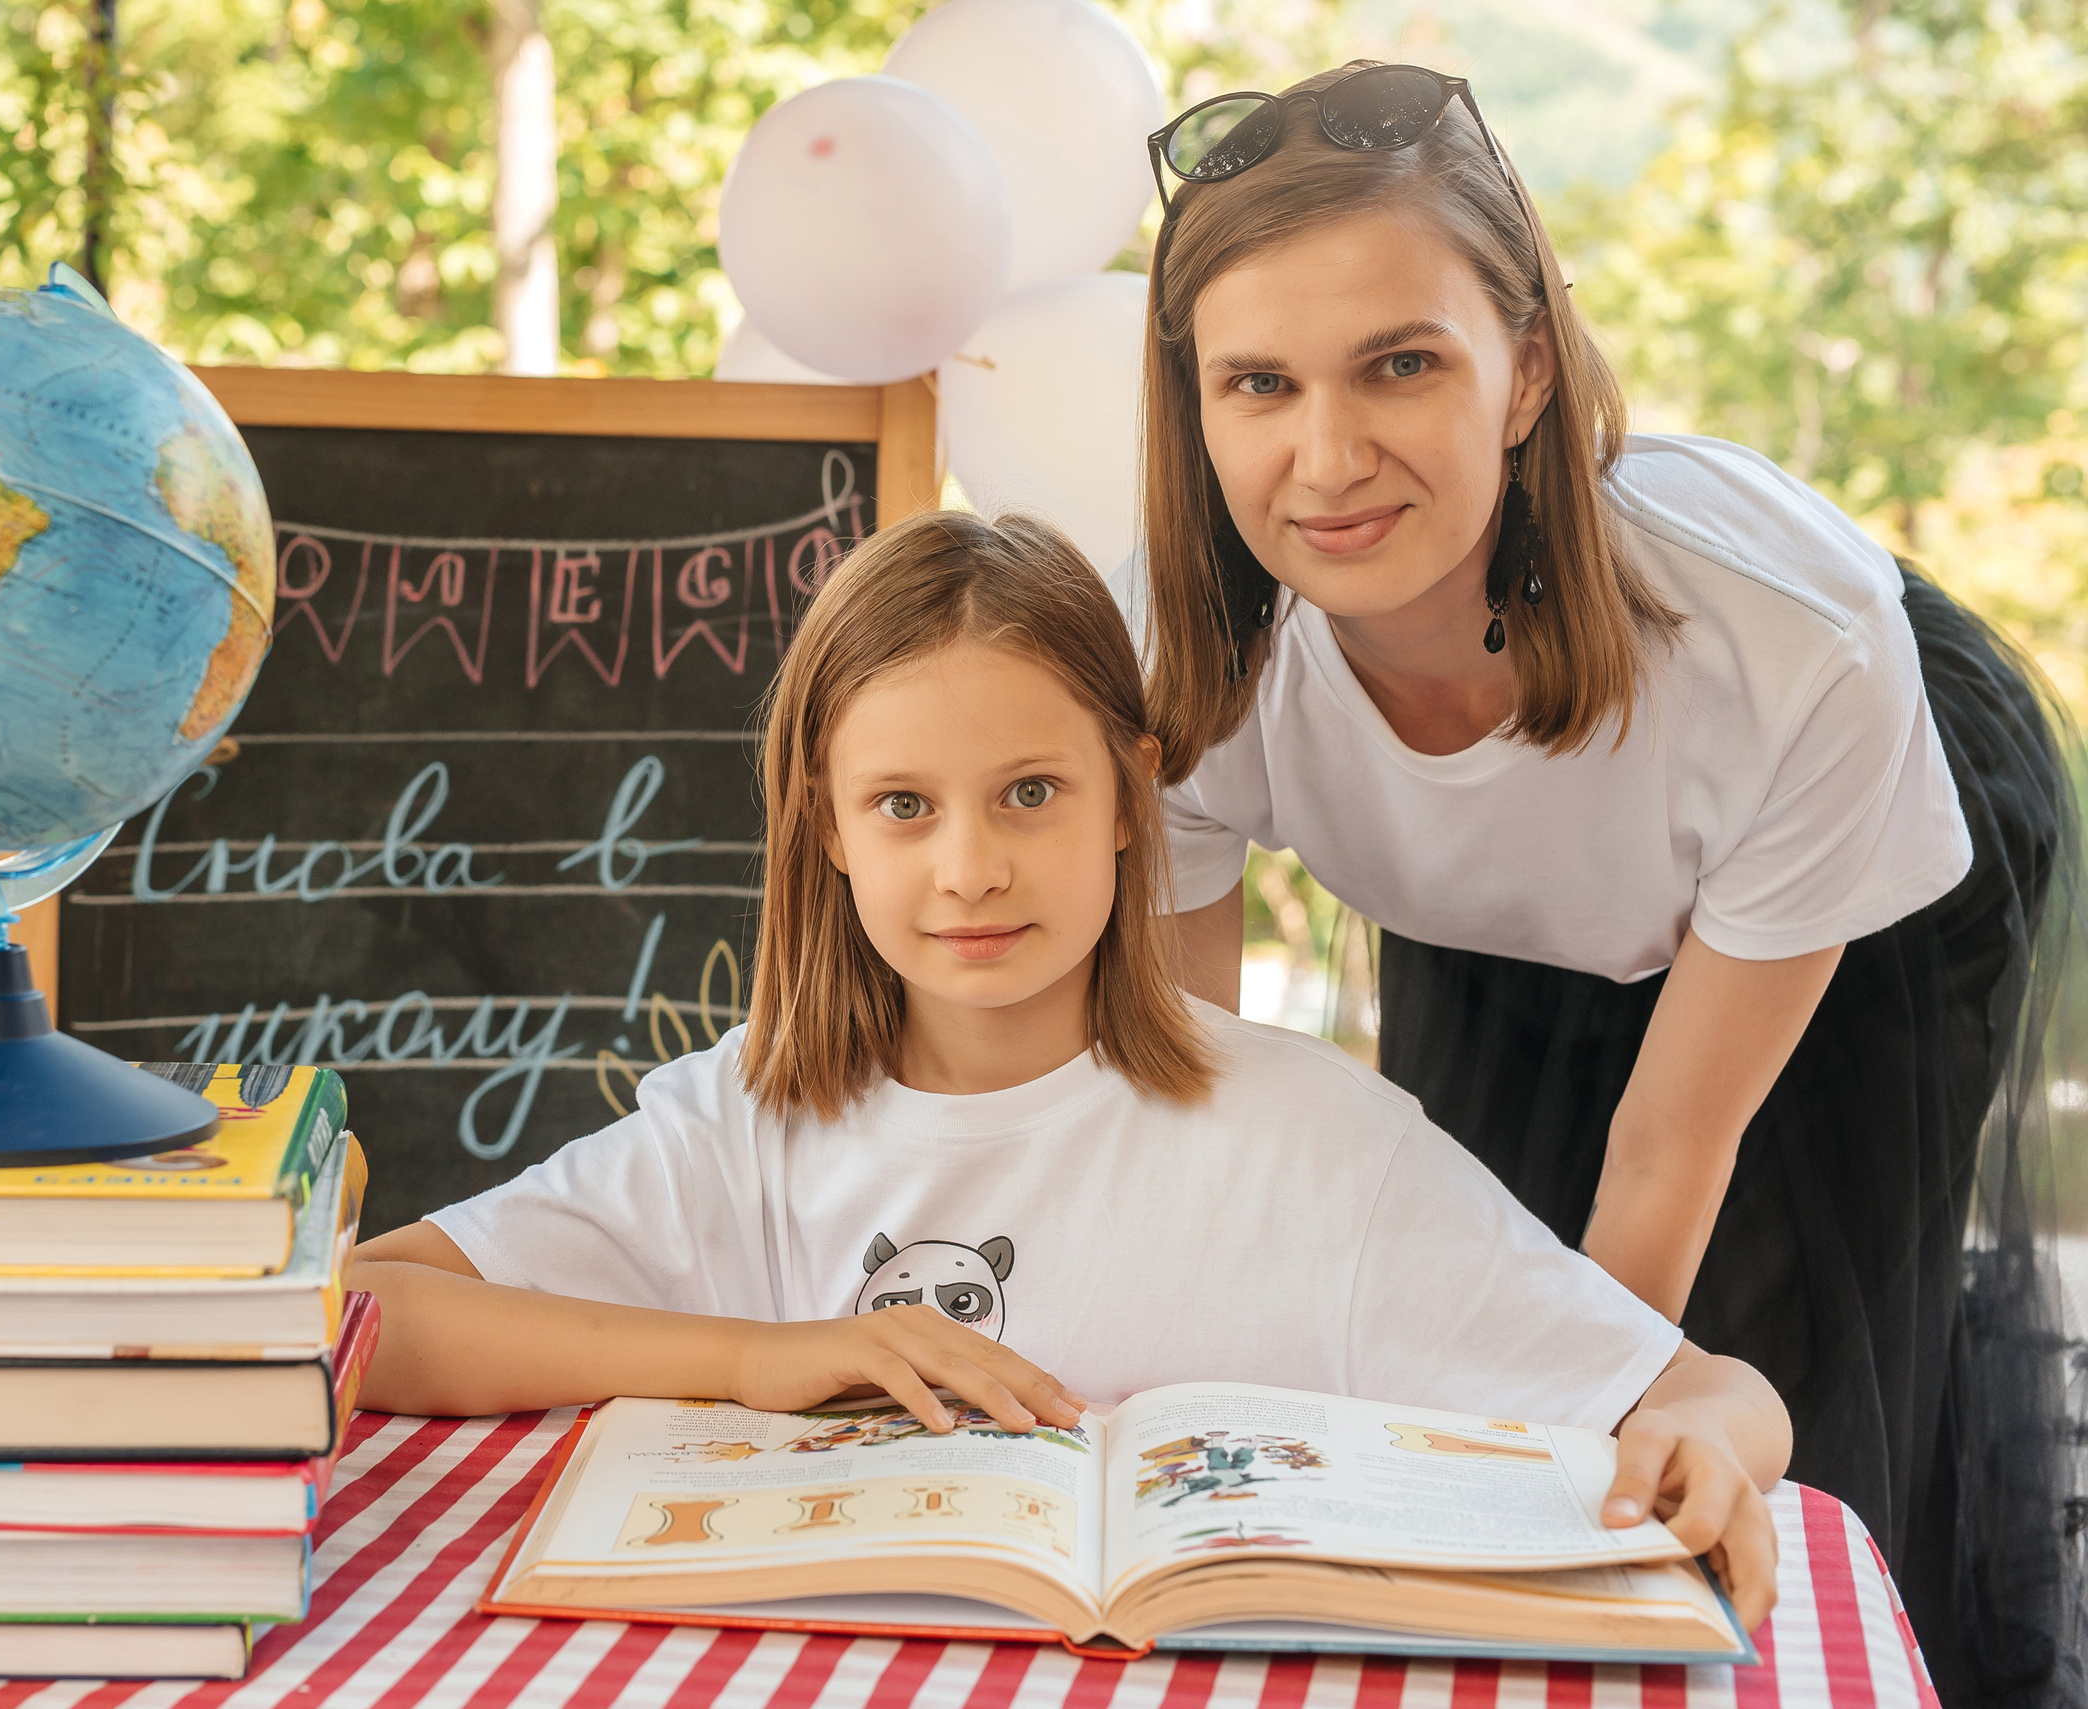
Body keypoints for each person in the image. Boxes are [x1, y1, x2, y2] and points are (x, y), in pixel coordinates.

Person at [348, 508, 1792, 1631]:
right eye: (903, 805)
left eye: (1030, 793)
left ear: (1128, 794)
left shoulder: (1316, 1139)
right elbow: (361, 1313)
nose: (969, 867)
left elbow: (1709, 1391)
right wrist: (761, 1357)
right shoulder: (742, 1119)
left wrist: (1712, 1440)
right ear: (831, 828)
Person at [1126, 60, 2081, 1701]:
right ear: (1194, 402)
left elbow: (1667, 1152)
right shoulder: (1181, 635)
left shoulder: (1793, 648)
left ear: (1525, 371)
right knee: (1481, 1282)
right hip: (1508, 890)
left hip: (1852, 876)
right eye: (1260, 384)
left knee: (1743, 1370)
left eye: (1401, 364)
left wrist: (1522, 1504)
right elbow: (1188, 1086)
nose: (1328, 456)